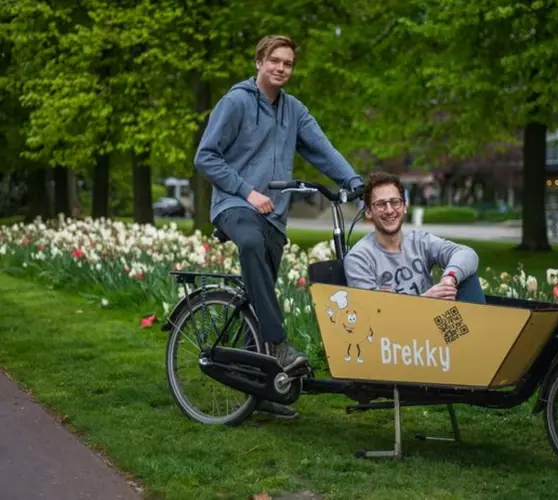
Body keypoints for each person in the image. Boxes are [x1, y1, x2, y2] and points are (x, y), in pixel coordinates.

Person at [194, 35, 364, 417]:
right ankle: (279, 344)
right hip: (235, 206)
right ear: (260, 62)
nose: (282, 68)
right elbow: (205, 156)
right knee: (251, 243)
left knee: (260, 296)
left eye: (288, 63)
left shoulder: (294, 111)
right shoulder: (236, 102)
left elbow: (322, 148)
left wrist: (352, 180)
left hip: (274, 215)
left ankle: (261, 389)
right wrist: (246, 190)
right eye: (275, 61)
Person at [343, 172, 486, 303]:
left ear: (404, 206)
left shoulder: (419, 240)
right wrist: (424, 300)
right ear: (368, 212)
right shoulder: (359, 258)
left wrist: (449, 277)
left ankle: (480, 330)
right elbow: (370, 311)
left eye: (395, 202)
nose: (389, 210)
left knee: (465, 276)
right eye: (380, 204)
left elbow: (467, 254)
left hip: (435, 321)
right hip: (392, 329)